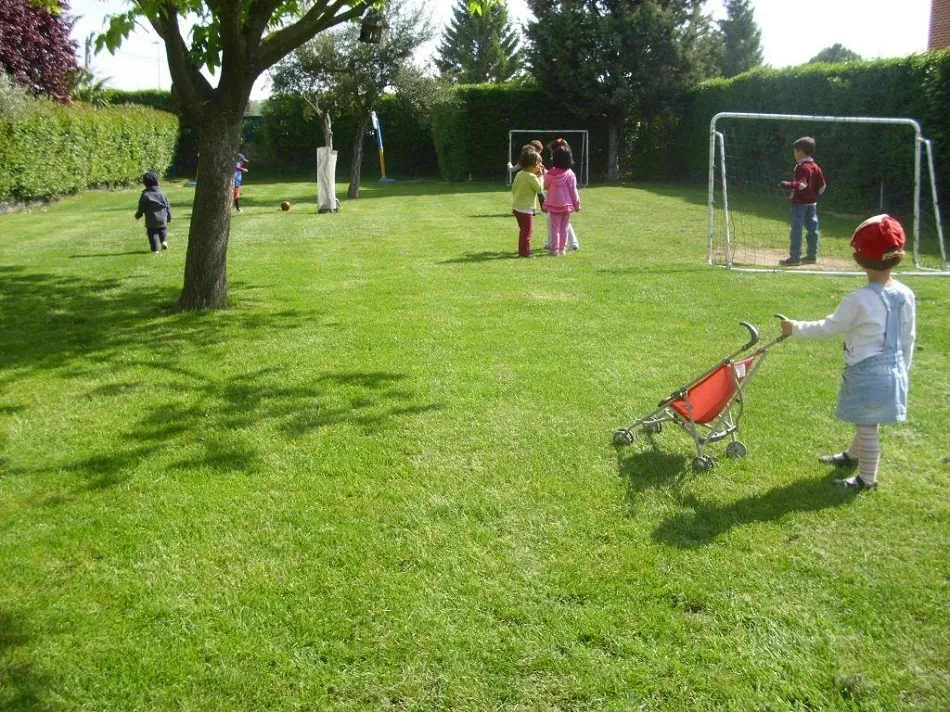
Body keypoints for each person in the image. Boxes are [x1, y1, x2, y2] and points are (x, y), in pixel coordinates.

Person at [781, 215, 916, 489]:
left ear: (860, 258)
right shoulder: (905, 294)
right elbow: (908, 336)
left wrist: (794, 328)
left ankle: (866, 479)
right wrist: (904, 370)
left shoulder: (858, 300)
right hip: (895, 371)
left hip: (867, 374)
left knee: (866, 426)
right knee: (867, 419)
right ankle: (851, 455)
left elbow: (827, 328)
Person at [778, 136, 826, 266]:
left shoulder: (801, 167)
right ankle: (811, 255)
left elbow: (801, 184)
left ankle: (794, 257)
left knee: (797, 230)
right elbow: (822, 186)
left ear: (800, 151)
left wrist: (787, 184)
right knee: (813, 230)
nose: (794, 154)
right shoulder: (816, 167)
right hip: (812, 204)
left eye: (795, 151)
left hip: (799, 204)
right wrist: (813, 194)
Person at [543, 138, 581, 256]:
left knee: (555, 228)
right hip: (567, 205)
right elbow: (573, 190)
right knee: (564, 228)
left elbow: (545, 185)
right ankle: (562, 249)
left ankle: (554, 250)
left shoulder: (550, 173)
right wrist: (577, 204)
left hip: (554, 205)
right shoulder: (570, 174)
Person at [511, 149, 545, 258]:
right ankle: (525, 253)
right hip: (526, 209)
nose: (539, 166)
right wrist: (541, 176)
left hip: (516, 207)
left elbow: (513, 188)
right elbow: (540, 189)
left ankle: (523, 250)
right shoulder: (532, 177)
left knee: (523, 231)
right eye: (538, 164)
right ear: (533, 165)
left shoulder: (519, 174)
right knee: (527, 232)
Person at [134, 171, 172, 253]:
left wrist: (138, 215)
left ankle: (155, 250)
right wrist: (169, 216)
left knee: (152, 233)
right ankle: (164, 242)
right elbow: (167, 206)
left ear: (145, 183)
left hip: (151, 219)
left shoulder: (145, 194)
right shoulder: (162, 193)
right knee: (163, 230)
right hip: (162, 218)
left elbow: (142, 207)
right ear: (157, 182)